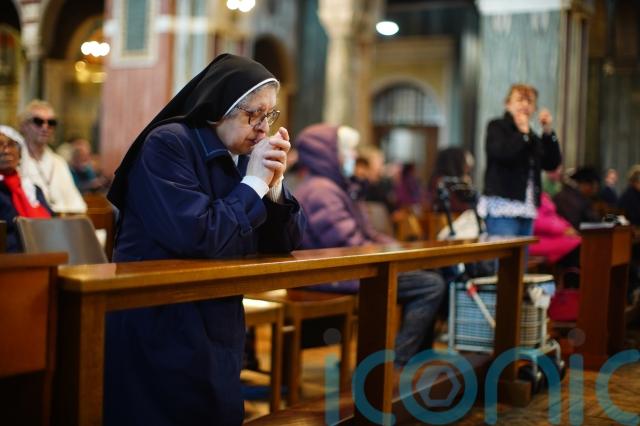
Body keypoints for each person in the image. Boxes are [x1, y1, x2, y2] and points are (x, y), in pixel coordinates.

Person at [104, 54, 306, 425]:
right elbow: (199, 235)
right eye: (254, 114)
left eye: (270, 116)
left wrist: (274, 187)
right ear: (219, 108)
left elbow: (285, 243)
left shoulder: (243, 154)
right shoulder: (168, 144)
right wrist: (254, 183)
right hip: (159, 315)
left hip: (216, 312)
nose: (263, 128)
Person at [293, 123, 446, 366]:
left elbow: (367, 234)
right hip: (333, 274)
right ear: (328, 154)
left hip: (346, 267)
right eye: (348, 150)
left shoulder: (335, 187)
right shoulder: (322, 191)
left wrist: (400, 248)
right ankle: (396, 363)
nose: (354, 155)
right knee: (430, 285)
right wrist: (396, 252)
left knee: (431, 273)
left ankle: (416, 356)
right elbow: (347, 244)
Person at [477, 84, 562, 237]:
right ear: (507, 104)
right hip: (503, 207)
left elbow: (551, 163)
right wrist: (523, 134)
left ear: (534, 108)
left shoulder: (532, 136)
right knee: (504, 252)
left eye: (530, 101)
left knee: (523, 253)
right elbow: (502, 154)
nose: (525, 104)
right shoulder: (497, 126)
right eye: (520, 99)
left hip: (527, 208)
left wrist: (548, 132)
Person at [18, 100, 87, 214]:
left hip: (60, 221)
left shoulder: (59, 162)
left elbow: (77, 204)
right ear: (24, 126)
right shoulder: (15, 161)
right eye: (38, 121)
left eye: (51, 122)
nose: (45, 127)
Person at [0, 125, 52, 252]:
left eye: (11, 145)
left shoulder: (32, 189)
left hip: (44, 252)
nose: (6, 151)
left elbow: (52, 222)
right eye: (0, 145)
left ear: (20, 154)